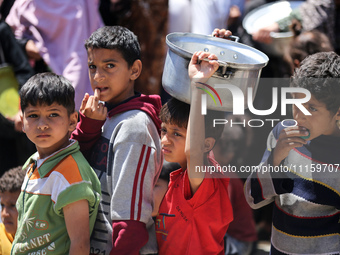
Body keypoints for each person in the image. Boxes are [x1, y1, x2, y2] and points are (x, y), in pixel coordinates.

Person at [70, 26, 163, 255]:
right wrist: (88, 127)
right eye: (93, 67)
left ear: (134, 70)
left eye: (109, 66)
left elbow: (130, 221)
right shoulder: (103, 115)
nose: (98, 77)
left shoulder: (134, 127)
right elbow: (69, 170)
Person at [245, 51, 340, 254]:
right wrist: (275, 160)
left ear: (337, 112)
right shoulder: (282, 134)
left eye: (312, 108)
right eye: (295, 103)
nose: (299, 115)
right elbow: (253, 198)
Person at [11, 72, 101, 255]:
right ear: (22, 121)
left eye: (53, 114)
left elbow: (80, 243)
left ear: (72, 121)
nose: (42, 124)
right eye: (33, 115)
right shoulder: (33, 163)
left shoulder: (70, 174)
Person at [155, 51, 233, 255]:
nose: (165, 139)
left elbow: (194, 150)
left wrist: (198, 84)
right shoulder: (182, 177)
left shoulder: (202, 178)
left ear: (206, 144)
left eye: (176, 134)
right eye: (164, 130)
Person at [5, 0, 103, 109]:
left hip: (75, 82)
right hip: (35, 78)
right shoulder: (26, 3)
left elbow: (79, 54)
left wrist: (66, 102)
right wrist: (25, 45)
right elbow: (8, 34)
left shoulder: (76, 5)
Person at [0, 166, 25, 255]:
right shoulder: (1, 237)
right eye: (2, 205)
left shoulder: (47, 237)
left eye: (13, 205)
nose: (4, 214)